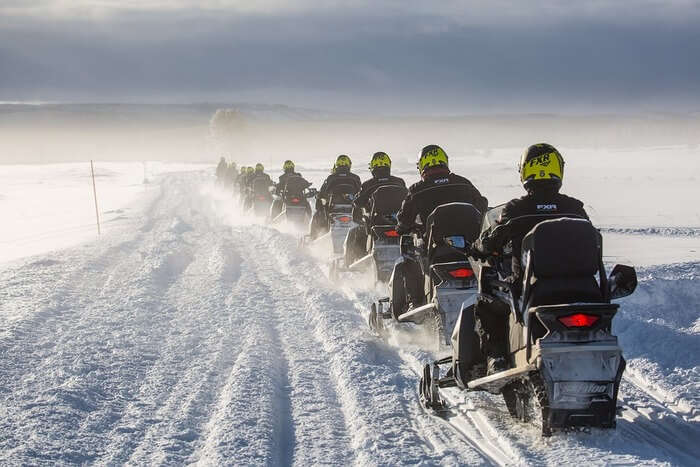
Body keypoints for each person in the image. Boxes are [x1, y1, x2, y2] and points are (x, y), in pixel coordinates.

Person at [474, 143, 589, 375]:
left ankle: (497, 357)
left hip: (532, 288)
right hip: (583, 289)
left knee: (486, 302)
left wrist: (479, 247)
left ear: (525, 171)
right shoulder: (574, 207)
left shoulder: (517, 209)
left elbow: (490, 241)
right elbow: (592, 240)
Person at [390, 144, 488, 318]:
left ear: (422, 166)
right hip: (470, 250)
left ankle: (416, 301)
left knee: (409, 258)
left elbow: (403, 220)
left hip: (435, 249)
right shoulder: (464, 183)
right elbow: (482, 205)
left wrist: (403, 227)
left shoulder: (416, 190)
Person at [344, 151, 406, 265]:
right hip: (399, 224)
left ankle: (350, 264)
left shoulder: (368, 185)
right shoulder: (399, 182)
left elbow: (357, 202)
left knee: (355, 232)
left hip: (377, 224)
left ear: (373, 167)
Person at [309, 155, 361, 239]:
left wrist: (320, 197)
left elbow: (323, 193)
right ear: (349, 165)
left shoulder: (331, 178)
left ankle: (313, 237)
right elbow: (360, 193)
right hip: (352, 209)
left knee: (318, 215)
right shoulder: (355, 178)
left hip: (333, 208)